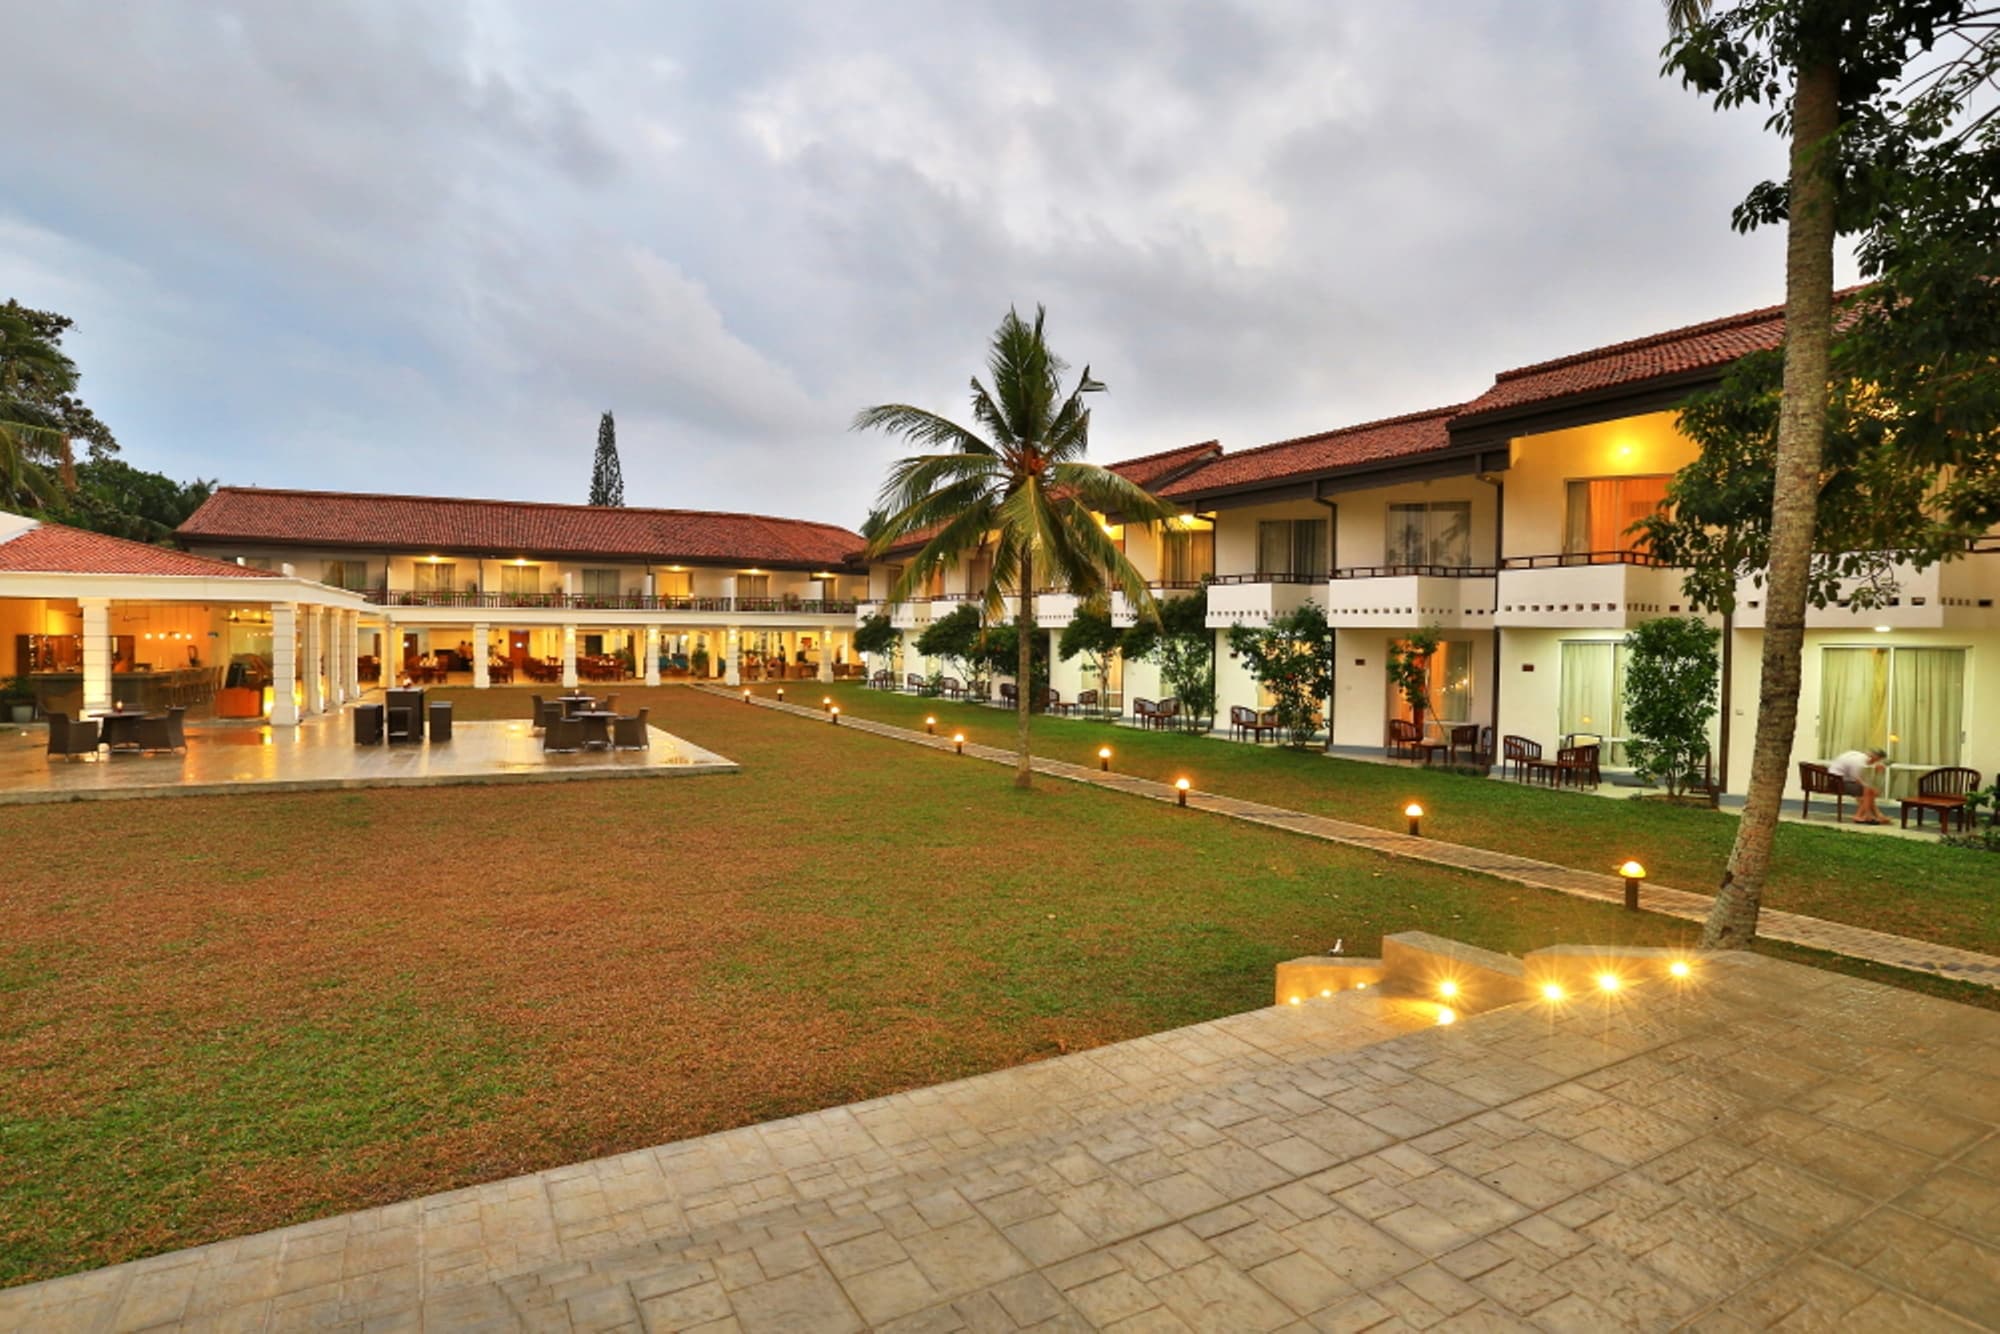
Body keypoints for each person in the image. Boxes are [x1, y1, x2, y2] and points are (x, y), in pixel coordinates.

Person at [1827, 747, 1891, 824]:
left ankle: (1875, 815)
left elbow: (1864, 780)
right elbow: (1858, 779)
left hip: (1839, 780)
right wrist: (1872, 787)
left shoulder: (1862, 758)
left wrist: (1875, 775)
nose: (1877, 764)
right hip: (1836, 783)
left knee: (1869, 790)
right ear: (1876, 758)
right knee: (1869, 790)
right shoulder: (1859, 762)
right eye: (1879, 761)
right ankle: (1860, 816)